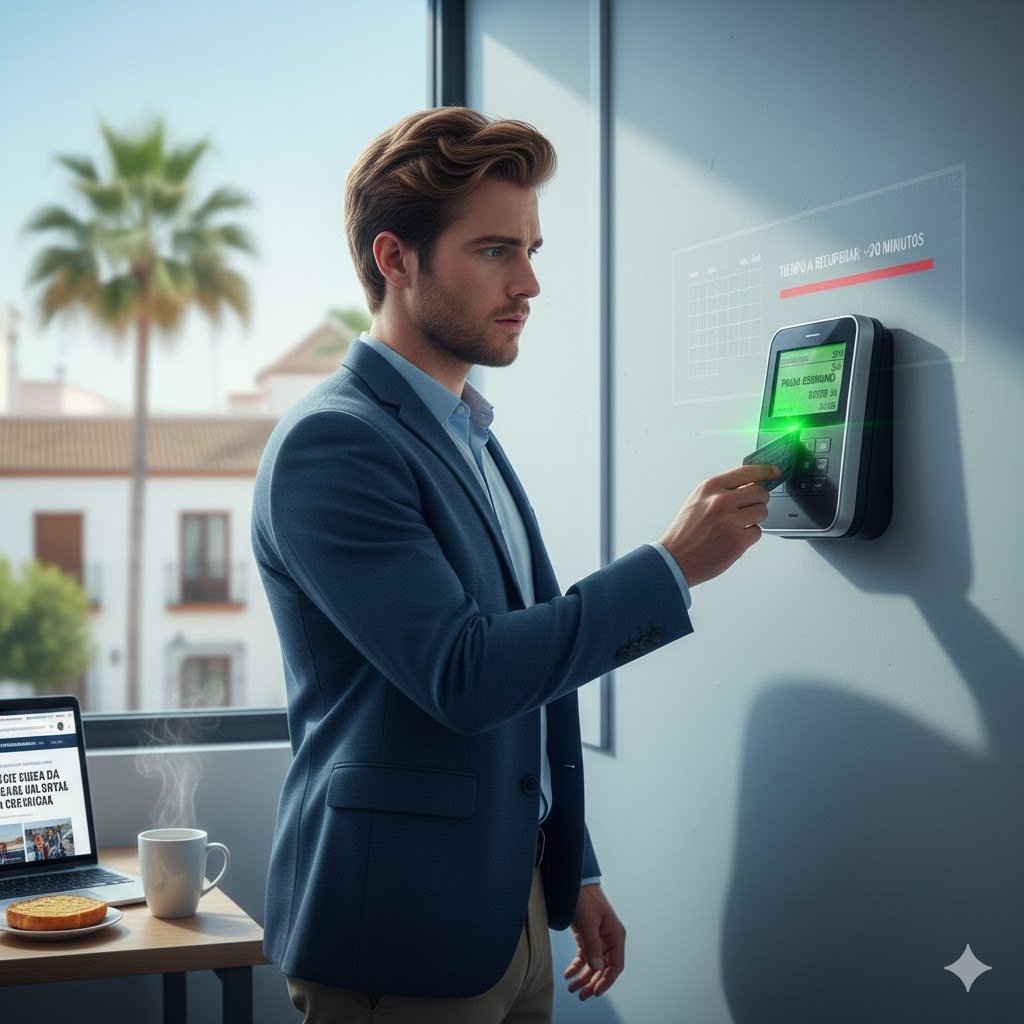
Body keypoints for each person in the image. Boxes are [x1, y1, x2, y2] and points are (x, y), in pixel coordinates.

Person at [252, 106, 777, 1023]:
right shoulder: (333, 445)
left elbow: (528, 678)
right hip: (401, 934)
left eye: (533, 249)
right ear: (395, 259)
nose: (529, 282)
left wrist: (570, 865)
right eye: (495, 250)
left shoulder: (470, 434)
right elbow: (464, 673)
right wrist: (671, 566)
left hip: (513, 911)